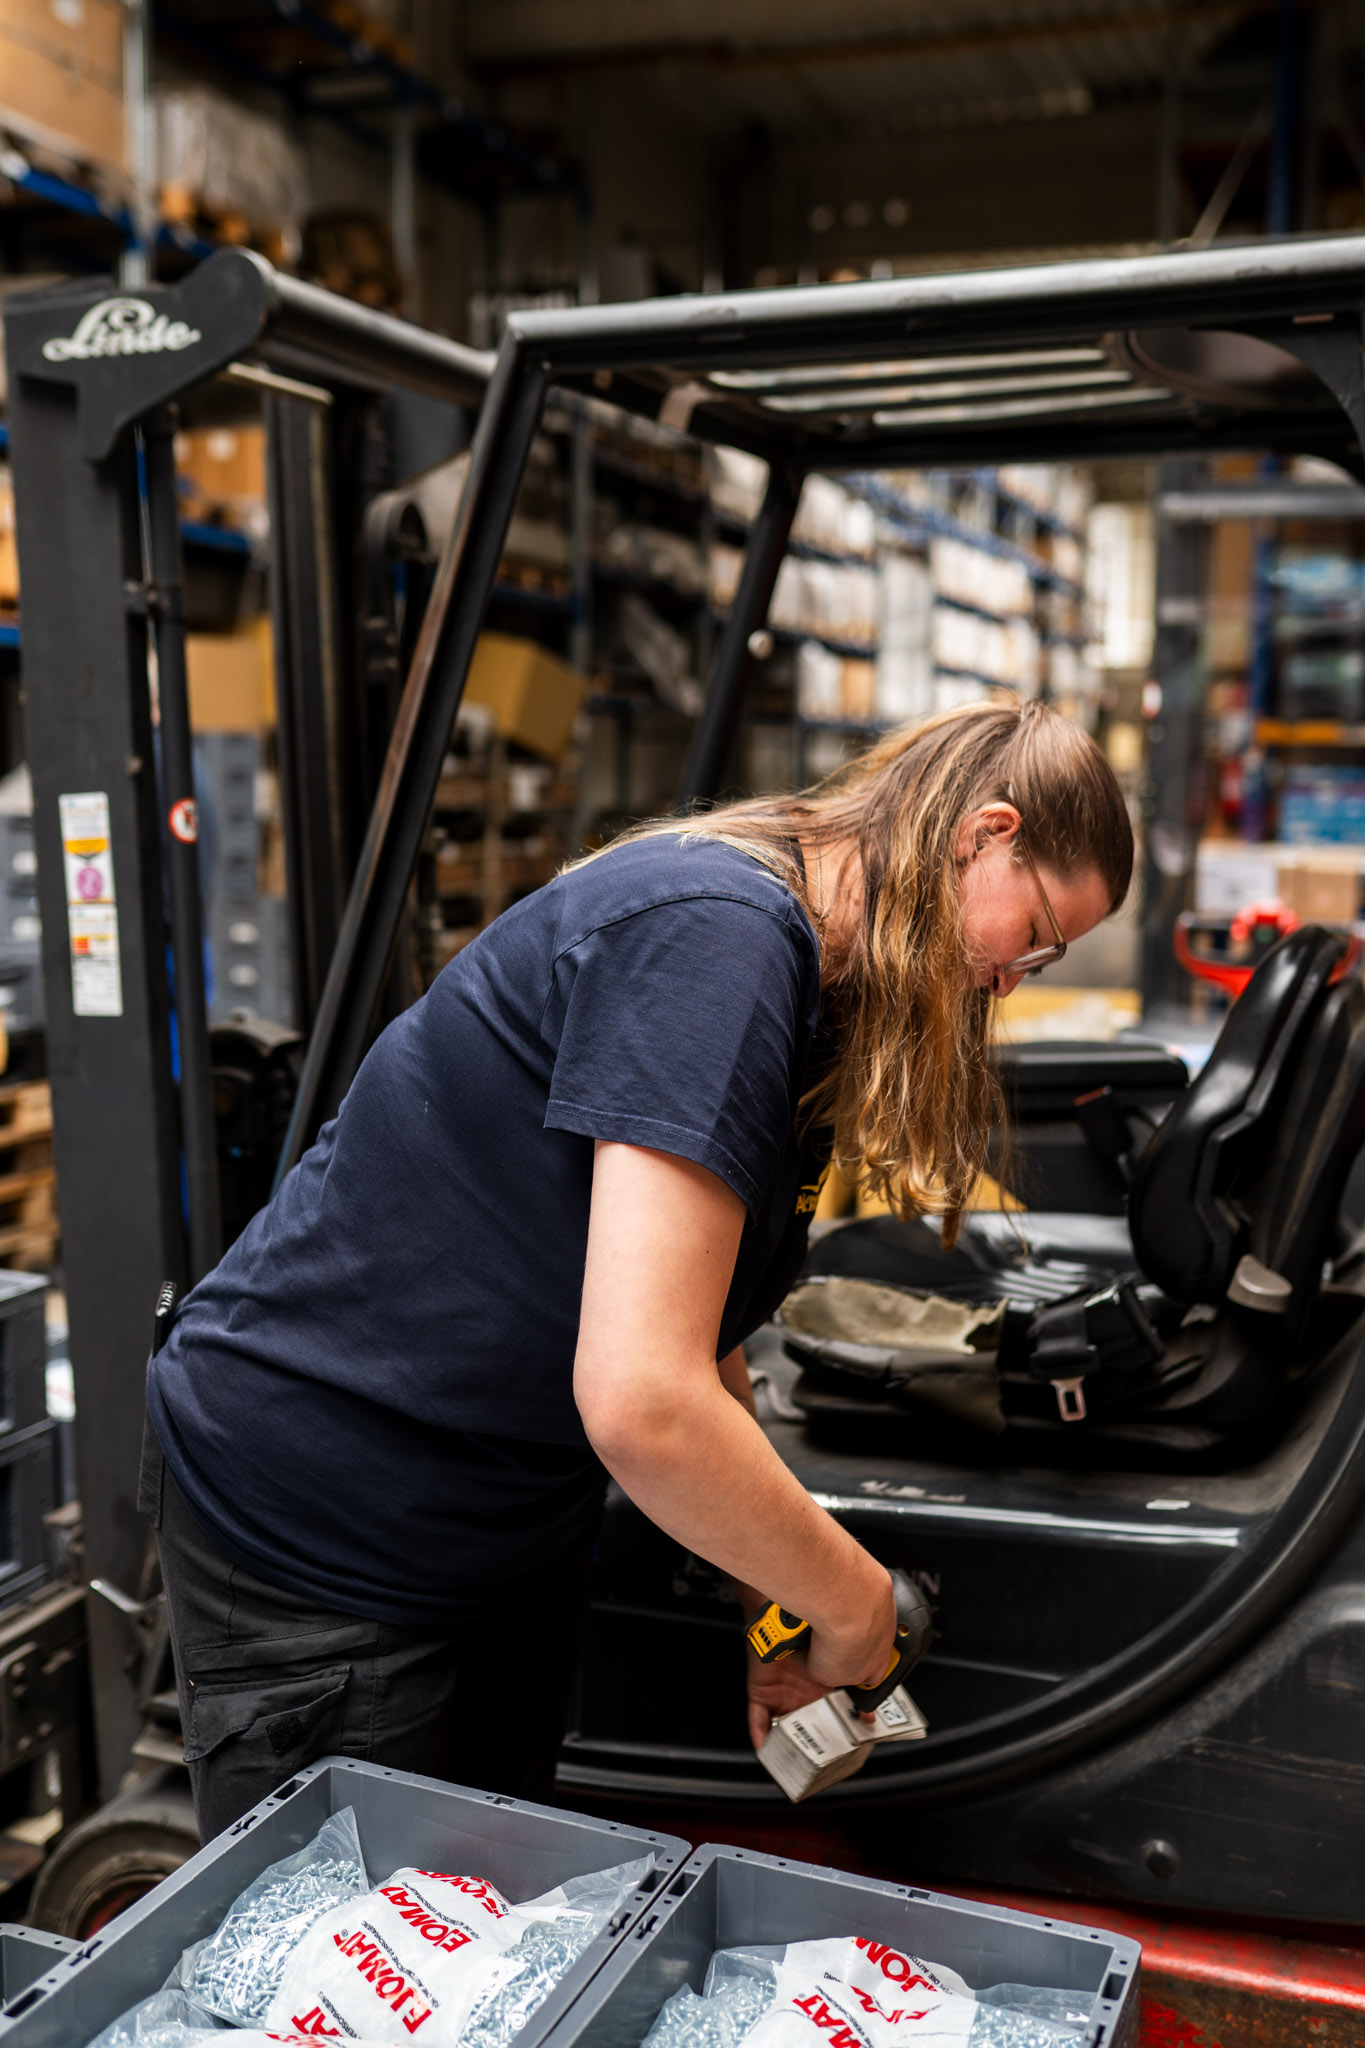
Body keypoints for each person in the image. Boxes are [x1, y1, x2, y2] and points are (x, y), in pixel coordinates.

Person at [141, 698, 1133, 1840]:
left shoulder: (818, 979)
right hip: (331, 1524)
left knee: (491, 1939)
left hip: (504, 1523)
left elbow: (699, 1337)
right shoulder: (716, 940)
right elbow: (643, 1399)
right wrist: (853, 1600)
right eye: (1044, 937)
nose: (1016, 980)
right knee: (356, 1983)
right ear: (985, 832)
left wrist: (778, 1583)